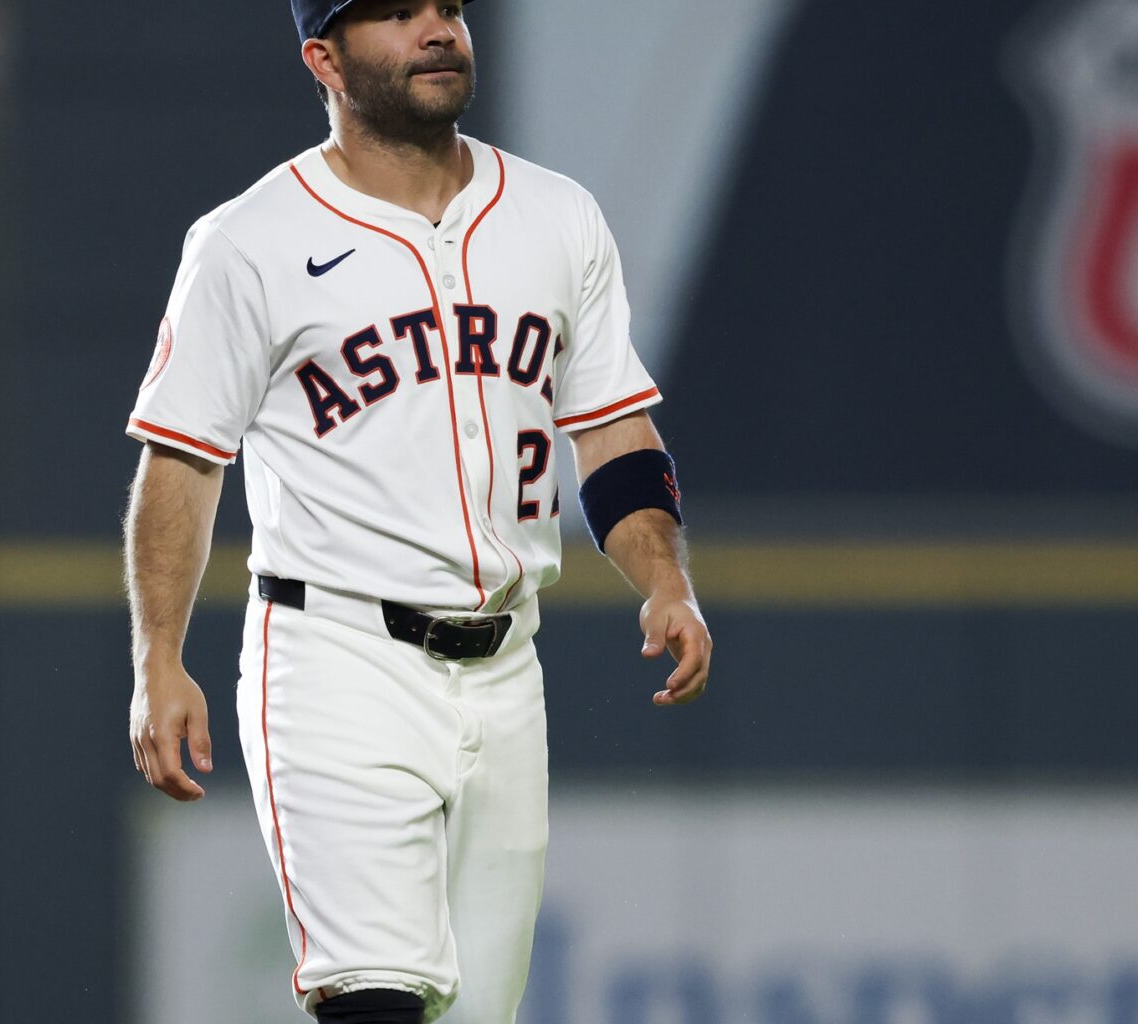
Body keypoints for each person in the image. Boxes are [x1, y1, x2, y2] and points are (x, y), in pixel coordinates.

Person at [121, 1, 714, 1021]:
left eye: (445, 6)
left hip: (506, 670)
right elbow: (180, 462)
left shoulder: (557, 215)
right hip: (335, 656)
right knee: (375, 999)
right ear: (324, 58)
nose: (437, 29)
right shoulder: (251, 240)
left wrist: (665, 578)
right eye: (395, 15)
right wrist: (157, 660)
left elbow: (612, 433)